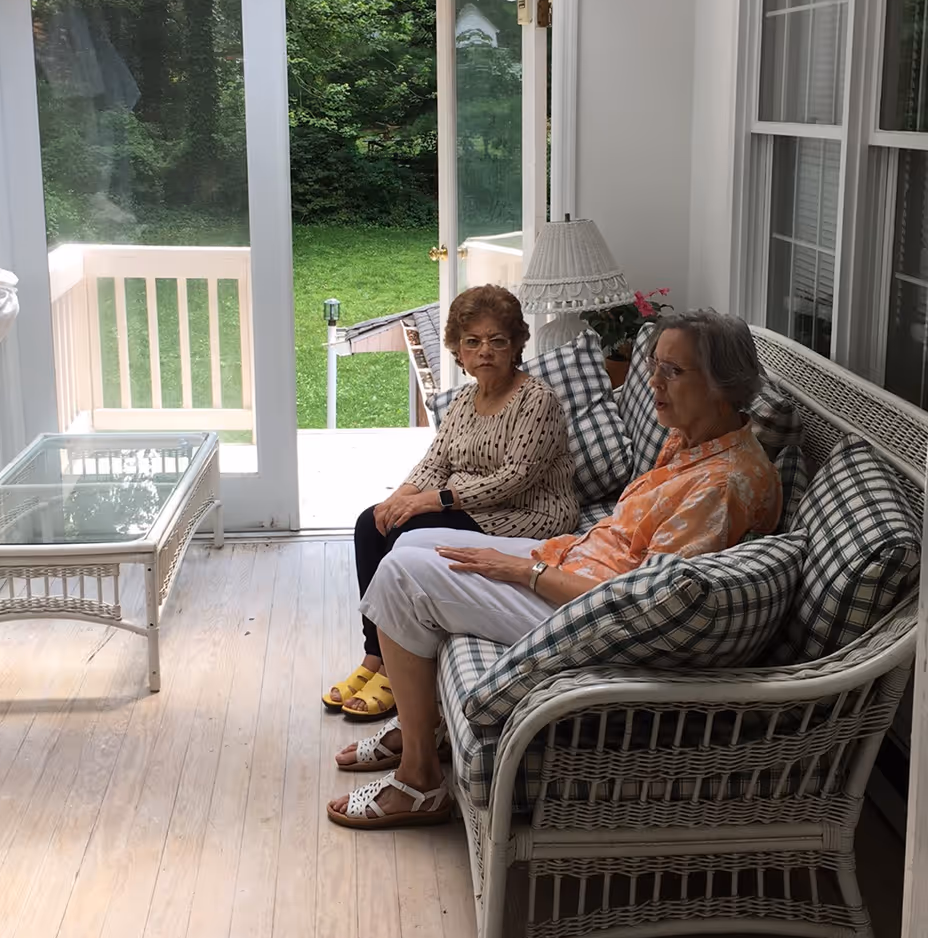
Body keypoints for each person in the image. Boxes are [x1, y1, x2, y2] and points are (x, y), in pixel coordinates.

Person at [328, 309, 782, 828]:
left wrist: (524, 572)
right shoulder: (692, 442)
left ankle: (420, 781)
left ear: (723, 385)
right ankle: (424, 728)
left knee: (402, 576)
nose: (652, 381)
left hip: (587, 613)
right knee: (412, 546)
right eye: (653, 367)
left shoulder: (721, 486)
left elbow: (638, 604)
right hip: (574, 563)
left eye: (671, 372)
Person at [324, 283, 577, 723]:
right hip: (470, 505)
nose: (485, 351)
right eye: (473, 341)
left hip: (527, 515)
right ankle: (376, 655)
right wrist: (398, 498)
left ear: (517, 344)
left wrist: (431, 503)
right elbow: (436, 460)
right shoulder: (465, 399)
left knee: (408, 531)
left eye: (498, 340)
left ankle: (395, 662)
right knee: (373, 524)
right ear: (458, 349)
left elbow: (514, 480)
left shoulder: (537, 400)